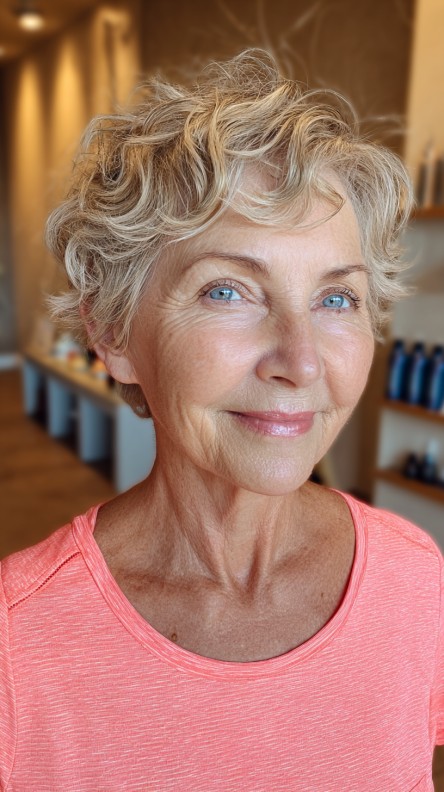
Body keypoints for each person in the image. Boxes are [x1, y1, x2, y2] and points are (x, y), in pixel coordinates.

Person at [0, 49, 442, 791]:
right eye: (227, 291)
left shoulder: (416, 581)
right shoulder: (19, 646)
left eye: (336, 299)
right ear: (113, 332)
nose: (301, 362)